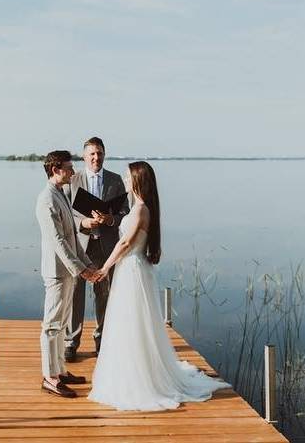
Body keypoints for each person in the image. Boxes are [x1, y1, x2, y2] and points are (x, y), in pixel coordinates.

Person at [88, 161, 231, 410]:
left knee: (133, 323)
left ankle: (141, 379)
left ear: (137, 181)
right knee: (128, 323)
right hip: (130, 269)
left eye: (128, 176)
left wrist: (105, 267)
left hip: (132, 270)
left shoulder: (142, 209)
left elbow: (125, 244)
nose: (124, 179)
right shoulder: (138, 208)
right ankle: (129, 371)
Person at [35, 150, 102, 398]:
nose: (73, 172)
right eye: (69, 167)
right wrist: (82, 270)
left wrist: (87, 264)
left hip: (68, 270)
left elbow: (73, 237)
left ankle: (60, 370)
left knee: (61, 325)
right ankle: (50, 378)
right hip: (56, 272)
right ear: (55, 169)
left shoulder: (61, 194)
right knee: (51, 326)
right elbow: (57, 241)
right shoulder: (46, 199)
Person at [63, 136, 129, 361]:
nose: (96, 157)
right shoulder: (73, 180)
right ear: (84, 156)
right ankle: (71, 342)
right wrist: (83, 223)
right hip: (80, 246)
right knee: (75, 294)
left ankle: (103, 340)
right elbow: (65, 216)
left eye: (99, 153)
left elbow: (125, 214)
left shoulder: (115, 180)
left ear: (104, 155)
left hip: (106, 247)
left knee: (104, 295)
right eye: (91, 154)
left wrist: (110, 219)